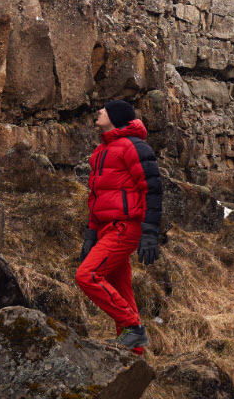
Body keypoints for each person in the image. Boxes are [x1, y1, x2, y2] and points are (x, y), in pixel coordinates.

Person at [75, 99, 162, 353]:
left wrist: (149, 232)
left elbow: (153, 189)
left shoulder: (135, 147)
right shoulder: (100, 151)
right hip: (105, 229)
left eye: (104, 109)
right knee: (122, 291)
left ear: (115, 116)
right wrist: (91, 235)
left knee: (87, 276)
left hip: (126, 227)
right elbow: (95, 196)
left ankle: (134, 328)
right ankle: (133, 356)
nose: (99, 111)